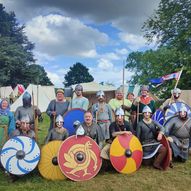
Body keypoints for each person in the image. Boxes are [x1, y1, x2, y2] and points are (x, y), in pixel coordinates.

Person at [136, 106, 167, 170]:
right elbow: (137, 137)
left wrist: (161, 133)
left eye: (148, 112)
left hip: (153, 143)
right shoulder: (140, 124)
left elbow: (162, 128)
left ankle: (156, 163)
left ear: (150, 114)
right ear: (143, 114)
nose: (147, 114)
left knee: (163, 150)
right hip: (145, 145)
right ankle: (151, 159)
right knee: (146, 163)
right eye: (145, 112)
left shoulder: (153, 122)